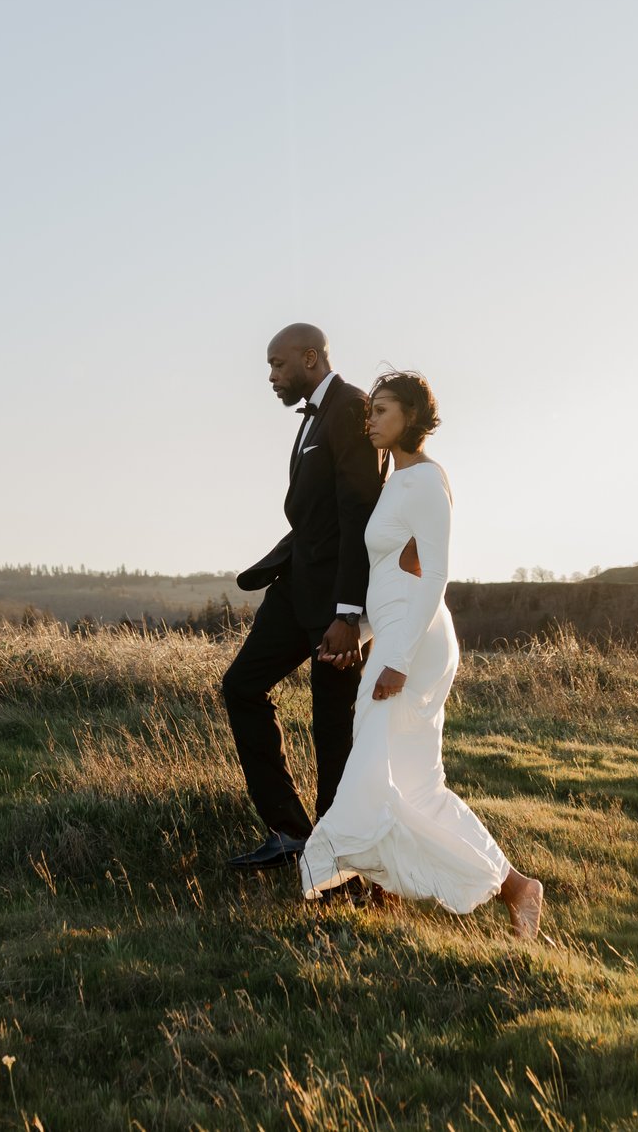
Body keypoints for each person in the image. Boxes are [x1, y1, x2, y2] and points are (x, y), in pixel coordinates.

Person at [299, 370, 545, 938]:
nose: (371, 419)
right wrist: (358, 636)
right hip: (393, 635)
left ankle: (339, 876)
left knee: (375, 768)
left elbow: (434, 574)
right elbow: (390, 574)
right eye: (371, 410)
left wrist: (399, 658)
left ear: (411, 415)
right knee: (415, 785)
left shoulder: (428, 481)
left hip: (419, 643)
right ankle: (516, 887)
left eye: (382, 410)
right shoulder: (395, 482)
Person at [218, 323, 382, 873]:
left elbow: (358, 515)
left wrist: (349, 615)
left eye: (277, 365)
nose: (271, 376)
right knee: (241, 686)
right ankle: (289, 832)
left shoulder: (352, 409)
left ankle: (334, 858)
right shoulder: (316, 414)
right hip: (295, 590)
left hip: (334, 603)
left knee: (331, 727)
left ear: (310, 358)